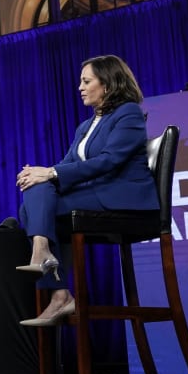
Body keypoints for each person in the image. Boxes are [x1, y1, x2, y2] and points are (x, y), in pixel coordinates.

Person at [13, 54, 158, 327]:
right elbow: (67, 165)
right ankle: (58, 291)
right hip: (98, 194)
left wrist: (50, 173)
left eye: (86, 81)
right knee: (34, 195)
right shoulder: (85, 126)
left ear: (108, 84)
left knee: (36, 199)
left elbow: (110, 160)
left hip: (122, 198)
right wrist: (39, 173)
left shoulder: (128, 112)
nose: (80, 87)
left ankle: (46, 264)